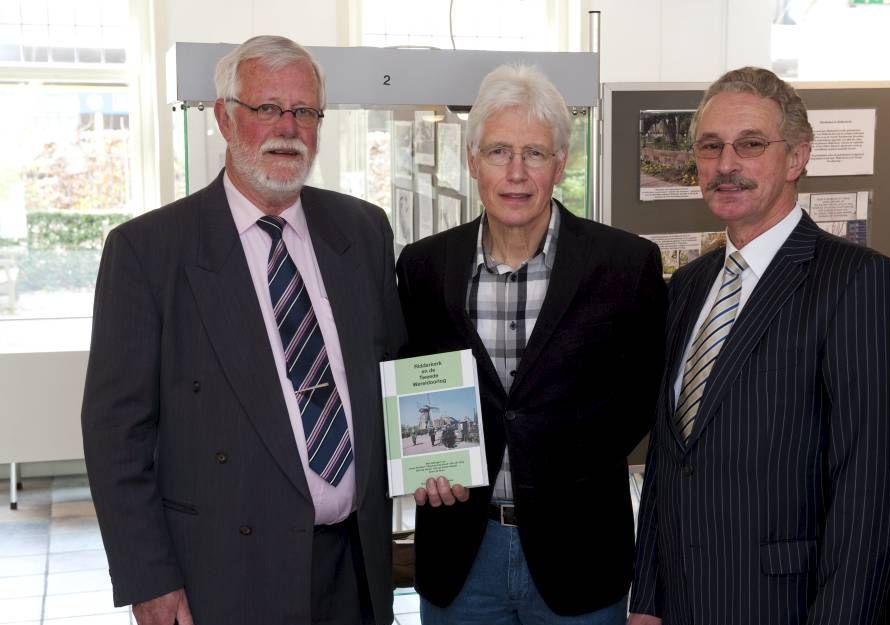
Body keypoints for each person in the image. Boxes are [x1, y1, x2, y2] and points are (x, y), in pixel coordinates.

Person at [81, 35, 405, 625]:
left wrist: (441, 460)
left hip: (353, 570)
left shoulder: (363, 232)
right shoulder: (149, 253)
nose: (288, 127)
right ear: (225, 119)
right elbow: (114, 436)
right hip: (226, 575)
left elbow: (396, 375)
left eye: (305, 111)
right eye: (267, 109)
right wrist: (148, 580)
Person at [629, 67, 890, 625]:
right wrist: (648, 600)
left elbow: (870, 489)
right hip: (688, 604)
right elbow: (668, 461)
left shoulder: (859, 283)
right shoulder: (689, 287)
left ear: (796, 158)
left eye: (751, 144)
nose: (726, 164)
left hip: (795, 609)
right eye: (711, 147)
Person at [396, 64, 667, 624]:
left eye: (535, 154)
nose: (516, 173)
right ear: (473, 162)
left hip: (581, 551)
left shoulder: (625, 264)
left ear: (560, 165)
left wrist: (571, 463)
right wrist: (425, 463)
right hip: (461, 553)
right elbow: (409, 375)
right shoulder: (423, 267)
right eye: (498, 152)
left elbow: (643, 394)